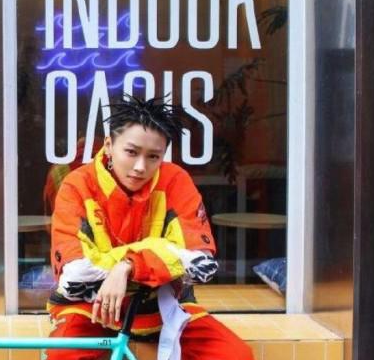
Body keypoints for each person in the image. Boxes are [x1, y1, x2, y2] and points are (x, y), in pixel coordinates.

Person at [46, 96, 254, 360]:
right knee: (62, 355)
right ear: (109, 145)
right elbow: (75, 275)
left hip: (162, 307)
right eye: (131, 152)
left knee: (236, 355)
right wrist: (161, 255)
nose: (140, 167)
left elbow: (200, 262)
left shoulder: (175, 180)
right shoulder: (77, 185)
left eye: (153, 156)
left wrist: (127, 267)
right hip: (90, 307)